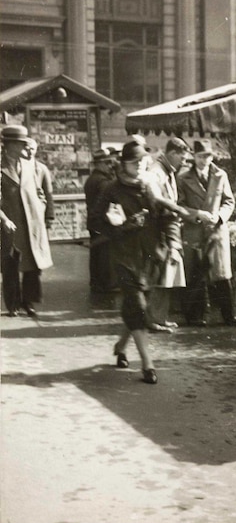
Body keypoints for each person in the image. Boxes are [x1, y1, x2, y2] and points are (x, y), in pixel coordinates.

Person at [94, 138, 161, 384]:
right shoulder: (112, 189)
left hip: (149, 256)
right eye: (135, 162)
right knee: (138, 305)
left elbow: (163, 216)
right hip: (123, 256)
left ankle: (121, 346)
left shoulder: (149, 186)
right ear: (123, 165)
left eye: (143, 160)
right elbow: (95, 223)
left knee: (136, 307)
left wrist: (171, 243)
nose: (141, 165)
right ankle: (147, 363)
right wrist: (124, 227)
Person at [177, 140, 236, 327]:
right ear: (193, 157)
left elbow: (229, 201)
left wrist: (220, 217)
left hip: (216, 231)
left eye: (207, 156)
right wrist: (197, 214)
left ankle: (228, 315)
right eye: (199, 156)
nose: (203, 160)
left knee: (222, 275)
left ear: (212, 156)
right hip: (195, 230)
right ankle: (195, 316)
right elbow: (179, 205)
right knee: (196, 274)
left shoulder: (220, 175)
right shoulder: (183, 178)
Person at [0, 125, 53, 317]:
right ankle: (13, 304)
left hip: (32, 223)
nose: (25, 147)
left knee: (32, 264)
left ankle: (29, 302)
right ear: (9, 145)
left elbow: (39, 191)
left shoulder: (29, 165)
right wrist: (4, 219)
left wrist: (41, 206)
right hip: (10, 224)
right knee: (10, 264)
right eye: (21, 143)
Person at [146, 138, 191, 333]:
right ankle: (152, 319)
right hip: (159, 230)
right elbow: (156, 198)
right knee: (160, 275)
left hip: (168, 229)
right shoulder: (156, 171)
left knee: (168, 274)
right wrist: (179, 209)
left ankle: (160, 317)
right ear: (172, 154)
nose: (183, 161)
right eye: (182, 156)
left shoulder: (168, 171)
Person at [84, 146, 118, 293]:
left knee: (95, 252)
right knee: (104, 254)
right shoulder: (104, 182)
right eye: (108, 163)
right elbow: (106, 205)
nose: (110, 166)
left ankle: (96, 281)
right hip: (102, 222)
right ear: (101, 164)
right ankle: (106, 283)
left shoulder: (91, 179)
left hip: (93, 221)